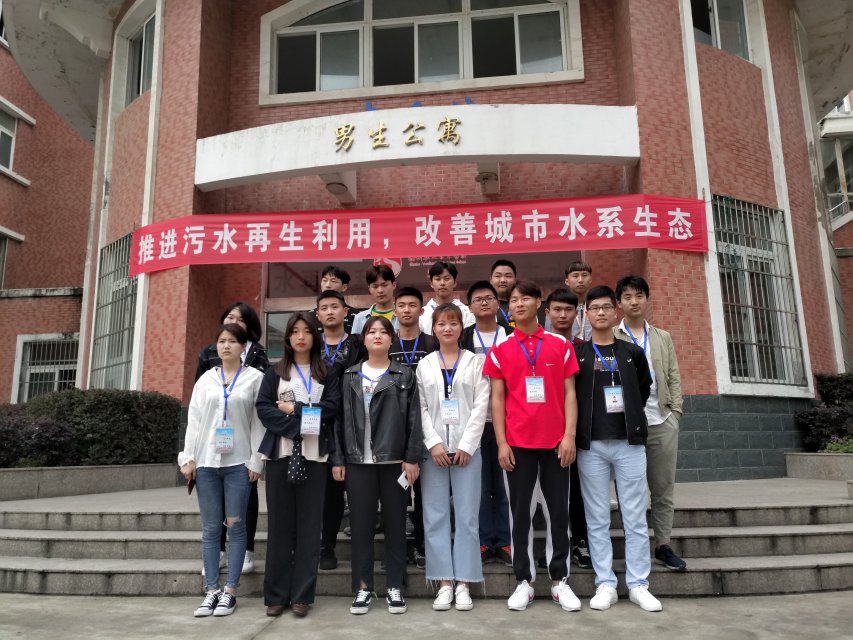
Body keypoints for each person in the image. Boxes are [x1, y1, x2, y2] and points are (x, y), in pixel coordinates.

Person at [482, 280, 581, 613]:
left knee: (558, 513)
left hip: (555, 444)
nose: (519, 304)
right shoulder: (501, 349)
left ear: (540, 303)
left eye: (526, 298)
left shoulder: (559, 345)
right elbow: (497, 400)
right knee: (520, 514)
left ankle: (559, 580)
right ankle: (524, 581)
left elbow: (570, 394)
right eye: (514, 300)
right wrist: (501, 442)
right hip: (517, 444)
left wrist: (569, 436)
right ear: (508, 307)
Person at [574, 285, 661, 612]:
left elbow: (643, 387)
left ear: (615, 312)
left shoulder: (632, 353)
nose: (600, 312)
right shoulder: (579, 354)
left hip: (629, 443)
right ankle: (605, 583)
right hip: (591, 445)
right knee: (596, 517)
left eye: (606, 307)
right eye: (594, 308)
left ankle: (638, 584)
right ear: (587, 314)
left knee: (635, 516)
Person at [332, 316, 423, 616]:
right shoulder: (350, 376)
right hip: (358, 462)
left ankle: (395, 585)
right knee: (361, 527)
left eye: (384, 332)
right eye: (372, 331)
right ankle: (362, 587)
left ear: (392, 339)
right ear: (364, 339)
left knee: (396, 525)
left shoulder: (404, 375)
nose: (378, 336)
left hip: (394, 462)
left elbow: (414, 419)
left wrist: (412, 457)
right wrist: (338, 458)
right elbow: (339, 421)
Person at [255, 312, 341, 618]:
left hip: (315, 458)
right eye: (295, 331)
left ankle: (302, 596)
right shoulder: (275, 372)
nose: (301, 336)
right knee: (280, 527)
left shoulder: (326, 372)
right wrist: (298, 426)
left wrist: (296, 409)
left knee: (309, 528)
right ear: (288, 338)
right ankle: (276, 595)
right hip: (281, 456)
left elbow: (331, 407)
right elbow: (264, 408)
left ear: (314, 337)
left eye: (306, 331)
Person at [180, 323, 265, 618]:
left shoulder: (255, 379)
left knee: (236, 526)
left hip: (239, 464)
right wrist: (188, 458)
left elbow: (259, 423)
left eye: (232, 341)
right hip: (206, 463)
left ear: (243, 347)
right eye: (221, 341)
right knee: (210, 528)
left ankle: (231, 591)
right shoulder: (206, 379)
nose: (226, 345)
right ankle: (211, 590)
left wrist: (256, 460)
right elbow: (194, 420)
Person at [417, 303, 489, 611]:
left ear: (462, 327)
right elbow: (419, 407)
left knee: (467, 517)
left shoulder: (475, 362)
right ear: (433, 329)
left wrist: (467, 445)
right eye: (441, 324)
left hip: (466, 452)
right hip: (433, 453)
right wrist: (433, 443)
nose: (447, 328)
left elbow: (481, 406)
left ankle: (465, 583)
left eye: (453, 323)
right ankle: (444, 582)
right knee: (435, 517)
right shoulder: (424, 365)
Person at [614, 275, 686, 571]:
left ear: (647, 299)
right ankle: (636, 545)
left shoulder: (662, 337)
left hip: (661, 420)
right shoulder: (612, 337)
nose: (634, 301)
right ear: (619, 303)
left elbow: (673, 376)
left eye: (639, 295)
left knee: (662, 487)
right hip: (626, 425)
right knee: (630, 490)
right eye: (627, 296)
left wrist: (675, 413)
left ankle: (663, 544)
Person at [195, 302, 269, 575]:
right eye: (229, 317)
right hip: (211, 449)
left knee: (244, 502)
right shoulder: (208, 359)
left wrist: (257, 458)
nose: (233, 323)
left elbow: (259, 415)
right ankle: (217, 555)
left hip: (241, 448)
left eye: (240, 319)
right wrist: (189, 456)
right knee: (213, 515)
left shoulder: (258, 360)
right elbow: (197, 410)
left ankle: (245, 551)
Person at [315, 290, 366, 571]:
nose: (330, 311)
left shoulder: (357, 344)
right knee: (322, 490)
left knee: (346, 489)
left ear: (346, 312)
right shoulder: (311, 344)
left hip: (352, 421)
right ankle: (323, 544)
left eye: (335, 306)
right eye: (324, 308)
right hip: (318, 422)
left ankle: (336, 546)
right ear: (318, 314)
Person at [461, 281, 511, 566]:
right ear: (469, 307)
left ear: (497, 303)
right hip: (474, 422)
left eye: (489, 298)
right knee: (478, 485)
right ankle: (482, 540)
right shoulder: (463, 337)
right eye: (477, 299)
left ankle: (503, 541)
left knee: (503, 483)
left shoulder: (510, 335)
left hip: (507, 420)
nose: (483, 302)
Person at [389, 286, 438, 568]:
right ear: (395, 310)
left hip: (427, 428)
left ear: (421, 310)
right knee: (396, 494)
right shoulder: (387, 343)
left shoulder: (433, 343)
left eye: (412, 305)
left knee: (424, 494)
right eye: (402, 305)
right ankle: (396, 551)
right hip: (394, 430)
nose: (407, 310)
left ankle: (422, 545)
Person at [544, 289, 592, 570]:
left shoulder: (584, 348)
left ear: (576, 314)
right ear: (547, 312)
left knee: (578, 491)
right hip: (546, 431)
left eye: (568, 310)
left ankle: (581, 541)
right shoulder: (539, 346)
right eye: (557, 310)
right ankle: (553, 546)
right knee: (551, 494)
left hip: (579, 431)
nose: (562, 315)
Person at [420, 260, 475, 332]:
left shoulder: (467, 313)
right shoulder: (422, 314)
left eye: (447, 279)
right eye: (438, 279)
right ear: (431, 284)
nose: (442, 283)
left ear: (454, 283)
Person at [314, 265, 362, 335]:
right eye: (324, 280)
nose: (327, 285)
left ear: (344, 287)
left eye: (333, 281)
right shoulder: (310, 316)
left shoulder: (357, 316)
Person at [351, 264, 399, 335]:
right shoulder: (360, 318)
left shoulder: (403, 315)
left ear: (394, 285)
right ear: (369, 288)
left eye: (384, 285)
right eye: (375, 286)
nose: (380, 290)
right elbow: (355, 342)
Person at [564, 262, 593, 341]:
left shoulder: (596, 306)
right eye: (575, 276)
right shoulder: (560, 307)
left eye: (584, 275)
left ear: (590, 280)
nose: (580, 280)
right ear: (567, 281)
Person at [489, 259, 517, 328]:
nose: (503, 280)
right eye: (498, 276)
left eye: (508, 276)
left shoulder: (522, 305)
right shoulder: (484, 306)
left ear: (515, 280)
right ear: (490, 280)